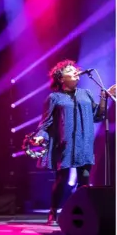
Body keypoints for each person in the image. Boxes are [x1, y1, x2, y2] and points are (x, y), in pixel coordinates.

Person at [33, 60, 106, 225]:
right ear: (60, 78)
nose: (75, 72)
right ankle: (53, 211)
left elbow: (97, 116)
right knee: (62, 179)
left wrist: (103, 98)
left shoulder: (85, 93)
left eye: (75, 69)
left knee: (84, 181)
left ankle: (83, 214)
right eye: (69, 70)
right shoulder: (54, 97)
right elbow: (45, 122)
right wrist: (40, 135)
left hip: (85, 143)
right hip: (65, 144)